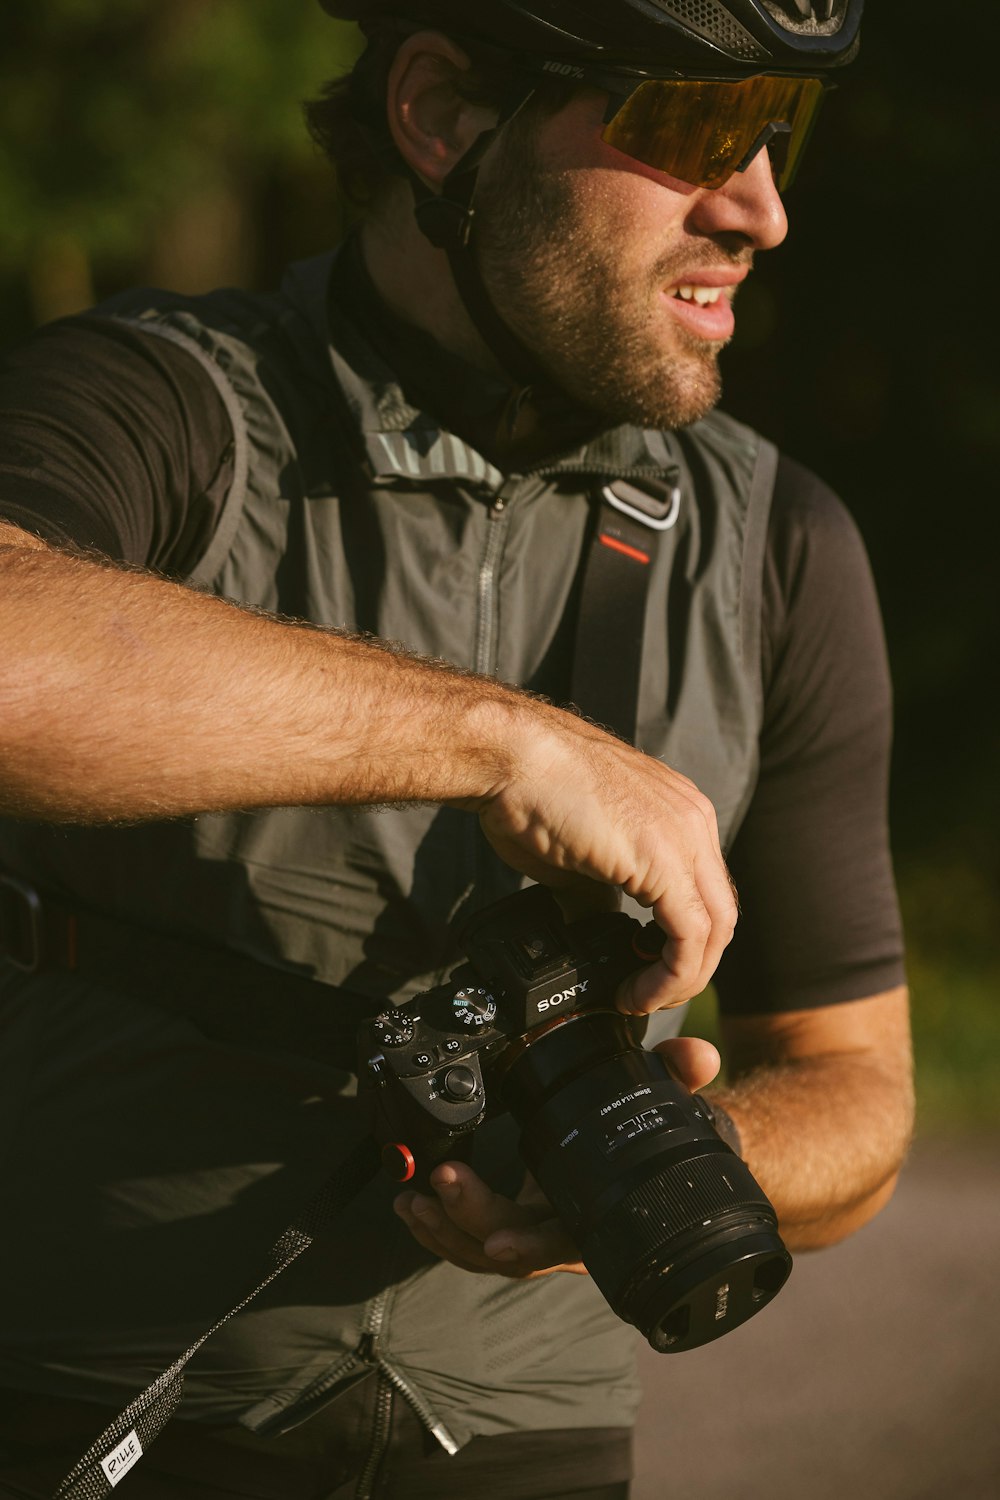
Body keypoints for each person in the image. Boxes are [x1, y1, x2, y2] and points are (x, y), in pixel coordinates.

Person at [0, 1, 913, 1496]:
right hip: (91, 1402)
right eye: (694, 126)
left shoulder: (779, 545)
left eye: (775, 133)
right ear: (440, 115)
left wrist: (668, 1161)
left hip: (526, 1441)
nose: (760, 207)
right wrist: (500, 740)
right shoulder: (164, 406)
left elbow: (858, 1089)